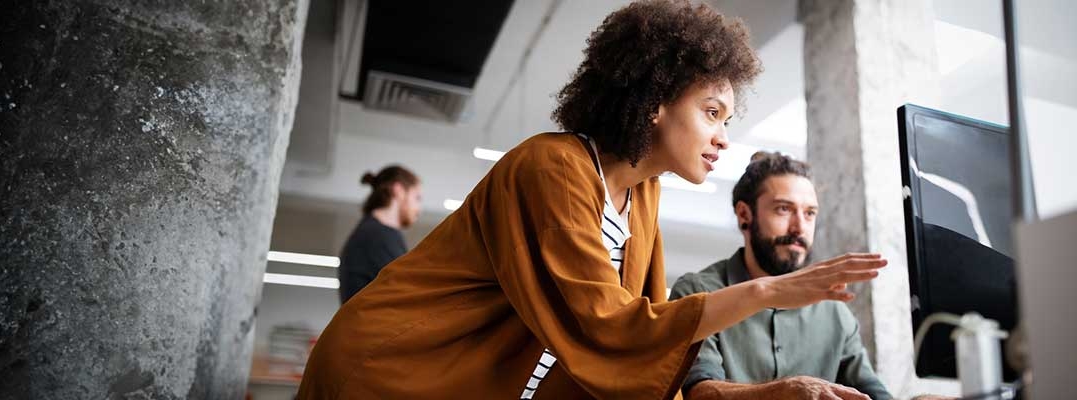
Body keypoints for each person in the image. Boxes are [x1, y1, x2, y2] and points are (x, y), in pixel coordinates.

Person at [297, 2, 887, 399]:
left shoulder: (643, 196)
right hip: (392, 371)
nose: (723, 137)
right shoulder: (551, 166)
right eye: (711, 112)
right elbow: (608, 327)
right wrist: (765, 292)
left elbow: (643, 346)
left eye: (727, 119)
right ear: (656, 99)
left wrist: (767, 392)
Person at [670, 152, 893, 400]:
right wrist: (784, 391)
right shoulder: (697, 292)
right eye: (784, 209)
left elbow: (873, 393)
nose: (799, 228)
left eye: (809, 213)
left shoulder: (834, 310)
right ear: (745, 215)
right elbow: (698, 393)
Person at [337, 165, 421, 304]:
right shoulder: (377, 236)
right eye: (417, 198)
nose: (418, 209)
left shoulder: (375, 233)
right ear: (398, 190)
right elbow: (406, 294)